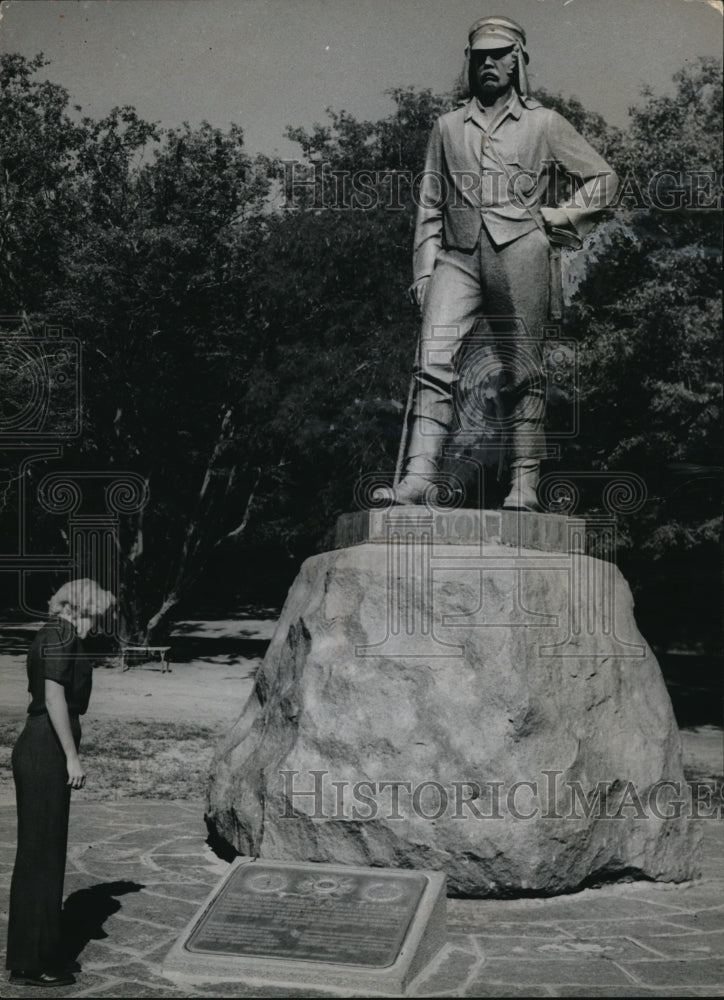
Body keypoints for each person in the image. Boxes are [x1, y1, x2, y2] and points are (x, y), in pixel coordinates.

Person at [376, 15, 618, 509]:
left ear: (517, 60)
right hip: (457, 257)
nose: (488, 63)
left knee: (521, 367)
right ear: (470, 63)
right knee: (432, 359)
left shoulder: (544, 123)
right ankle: (420, 475)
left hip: (520, 250)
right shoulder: (446, 127)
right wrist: (423, 270)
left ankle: (525, 480)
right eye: (479, 55)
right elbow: (429, 204)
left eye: (498, 53)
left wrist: (555, 218)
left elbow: (604, 180)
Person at [6, 578, 116, 988]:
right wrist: (72, 756)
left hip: (40, 748)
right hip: (46, 751)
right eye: (96, 617)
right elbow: (53, 698)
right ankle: (30, 965)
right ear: (79, 609)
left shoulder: (49, 633)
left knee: (44, 854)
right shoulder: (63, 633)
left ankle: (42, 950)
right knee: (40, 857)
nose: (96, 626)